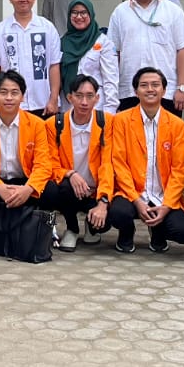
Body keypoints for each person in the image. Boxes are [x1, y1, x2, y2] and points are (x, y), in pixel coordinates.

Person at [106, 67, 184, 254]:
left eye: (155, 85)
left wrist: (167, 206)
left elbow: (179, 170)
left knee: (183, 232)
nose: (150, 89)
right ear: (136, 91)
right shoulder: (121, 120)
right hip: (131, 193)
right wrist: (137, 201)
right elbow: (119, 163)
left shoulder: (176, 124)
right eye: (144, 85)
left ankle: (158, 231)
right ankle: (126, 232)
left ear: (164, 90)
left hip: (163, 195)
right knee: (118, 213)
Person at [0, 70, 56, 251]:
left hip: (25, 180)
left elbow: (43, 164)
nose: (9, 98)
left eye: (14, 93)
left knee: (51, 189)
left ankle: (40, 227)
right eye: (3, 92)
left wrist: (28, 189)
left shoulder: (37, 124)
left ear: (22, 97)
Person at [39, 74, 113, 251]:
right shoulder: (53, 124)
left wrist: (103, 201)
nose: (84, 102)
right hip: (70, 189)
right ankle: (72, 228)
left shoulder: (106, 122)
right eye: (79, 96)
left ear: (97, 98)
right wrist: (70, 174)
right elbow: (50, 163)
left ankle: (92, 226)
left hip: (95, 190)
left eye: (89, 96)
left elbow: (108, 164)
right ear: (69, 97)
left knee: (112, 217)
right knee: (58, 188)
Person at [106, 0, 184, 113]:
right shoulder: (120, 12)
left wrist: (182, 87)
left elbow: (183, 50)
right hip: (129, 91)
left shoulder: (173, 11)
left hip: (166, 91)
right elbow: (114, 53)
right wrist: (113, 91)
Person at [0, 0, 63, 116]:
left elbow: (54, 65)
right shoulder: (0, 30)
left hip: (43, 102)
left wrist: (54, 98)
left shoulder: (47, 28)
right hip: (11, 103)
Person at [60, 0, 119, 112]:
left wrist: (110, 110)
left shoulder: (103, 42)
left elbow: (111, 79)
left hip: (96, 107)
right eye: (74, 12)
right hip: (68, 107)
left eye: (83, 13)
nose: (79, 17)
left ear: (91, 15)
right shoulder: (62, 43)